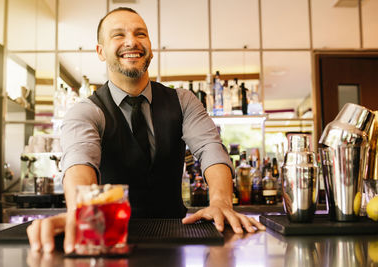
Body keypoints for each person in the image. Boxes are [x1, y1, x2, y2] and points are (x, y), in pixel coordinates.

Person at [27, 7, 265, 253]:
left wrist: (220, 201)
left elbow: (210, 149)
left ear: (150, 45)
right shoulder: (86, 111)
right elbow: (80, 160)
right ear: (100, 51)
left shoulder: (183, 101)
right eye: (118, 35)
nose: (132, 41)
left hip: (176, 238)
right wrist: (81, 211)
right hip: (111, 241)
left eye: (140, 33)